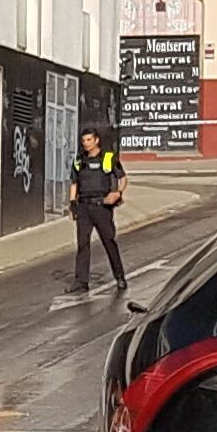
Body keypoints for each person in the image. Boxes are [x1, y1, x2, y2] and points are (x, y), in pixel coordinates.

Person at [70, 125, 129, 301]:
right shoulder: (79, 160)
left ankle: (120, 277)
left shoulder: (108, 157)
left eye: (89, 140)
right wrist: (73, 205)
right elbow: (74, 183)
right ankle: (81, 281)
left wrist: (118, 193)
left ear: (96, 140)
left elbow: (123, 178)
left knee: (109, 241)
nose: (86, 144)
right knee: (82, 244)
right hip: (84, 207)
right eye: (83, 141)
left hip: (102, 207)